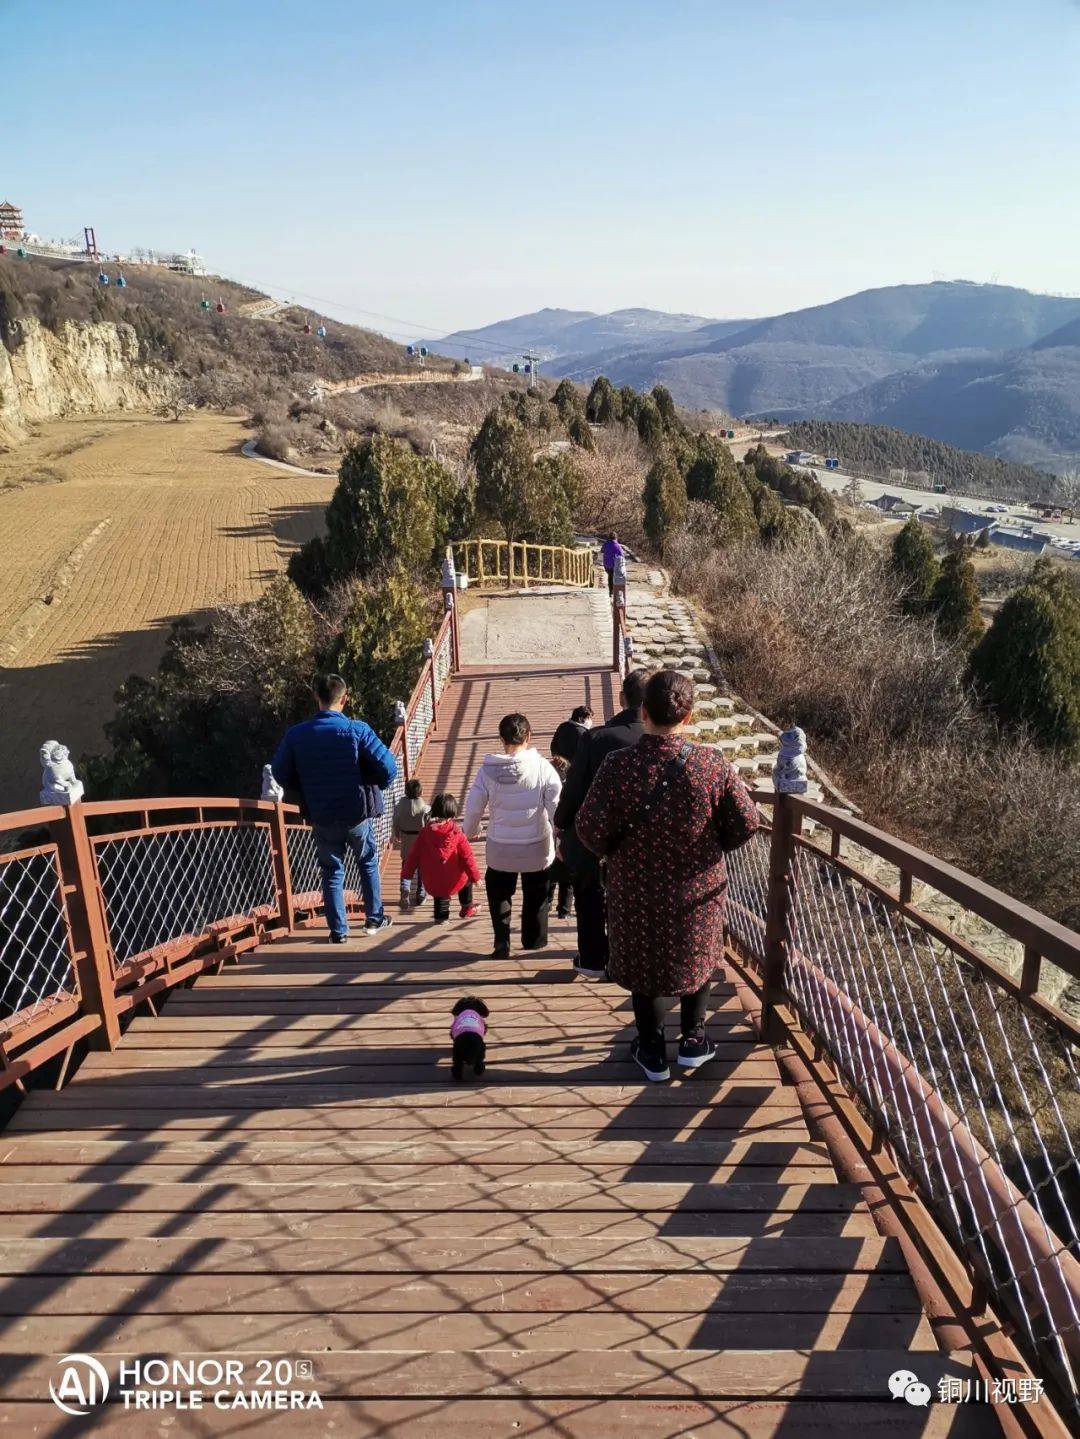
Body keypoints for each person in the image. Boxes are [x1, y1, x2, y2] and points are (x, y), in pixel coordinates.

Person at [574, 669, 760, 1082]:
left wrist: (615, 854)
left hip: (635, 888)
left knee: (645, 963)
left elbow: (587, 827)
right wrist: (714, 848)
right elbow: (748, 820)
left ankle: (653, 1049)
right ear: (688, 716)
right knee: (697, 954)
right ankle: (694, 1040)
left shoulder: (618, 766)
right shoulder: (711, 765)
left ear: (643, 711)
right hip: (698, 887)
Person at [272, 674, 397, 944]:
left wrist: (306, 787)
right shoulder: (358, 730)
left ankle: (338, 932)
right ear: (345, 698)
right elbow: (389, 769)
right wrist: (374, 782)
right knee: (367, 862)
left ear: (317, 698)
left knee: (331, 870)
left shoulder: (296, 735)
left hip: (322, 814)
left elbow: (280, 774)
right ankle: (374, 918)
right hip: (356, 812)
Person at [554, 668, 649, 979]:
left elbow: (575, 789)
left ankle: (594, 959)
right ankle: (635, 956)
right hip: (644, 837)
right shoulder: (660, 742)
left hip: (595, 836)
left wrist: (561, 823)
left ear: (622, 698)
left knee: (590, 893)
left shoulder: (596, 738)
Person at [463, 712, 562, 959]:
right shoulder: (543, 768)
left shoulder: (487, 771)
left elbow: (474, 808)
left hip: (500, 846)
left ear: (501, 738)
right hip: (537, 845)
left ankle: (501, 942)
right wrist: (560, 838)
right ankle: (533, 942)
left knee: (498, 891)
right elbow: (556, 809)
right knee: (536, 893)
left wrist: (471, 831)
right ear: (529, 736)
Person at [401, 793, 481, 922]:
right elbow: (467, 857)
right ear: (452, 813)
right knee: (466, 879)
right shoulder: (457, 833)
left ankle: (441, 917)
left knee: (440, 892)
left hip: (432, 880)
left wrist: (407, 874)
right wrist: (475, 877)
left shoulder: (424, 833)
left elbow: (413, 856)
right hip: (453, 879)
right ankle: (467, 907)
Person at [393, 778, 430, 910]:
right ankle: (420, 893)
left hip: (406, 841)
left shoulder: (399, 808)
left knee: (406, 867)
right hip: (421, 842)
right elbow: (429, 826)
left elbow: (395, 822)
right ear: (420, 792)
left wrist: (396, 833)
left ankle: (405, 887)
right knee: (422, 868)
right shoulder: (425, 809)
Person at [548, 755, 575, 918]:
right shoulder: (571, 790)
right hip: (567, 836)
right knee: (567, 878)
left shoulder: (547, 788)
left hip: (551, 836)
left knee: (550, 875)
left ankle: (547, 902)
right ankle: (564, 909)